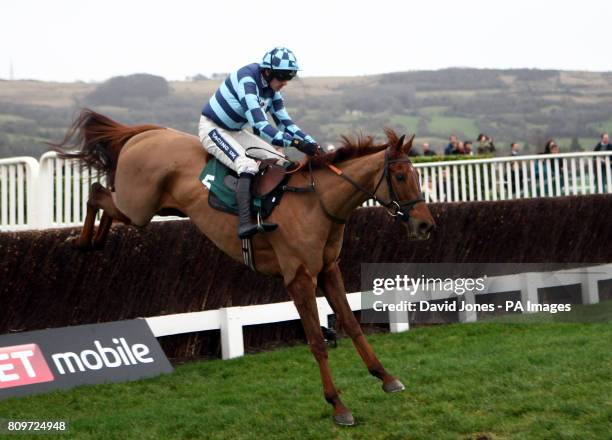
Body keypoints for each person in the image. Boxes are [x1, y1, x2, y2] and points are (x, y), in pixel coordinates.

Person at [199, 47, 319, 239]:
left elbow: (286, 123)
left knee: (278, 158)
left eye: (289, 77)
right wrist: (296, 143)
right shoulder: (247, 80)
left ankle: (268, 210)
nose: (285, 83)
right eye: (282, 77)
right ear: (267, 71)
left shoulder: (272, 91)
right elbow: (261, 125)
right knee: (246, 165)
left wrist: (312, 143)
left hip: (235, 131)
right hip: (212, 128)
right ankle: (244, 223)